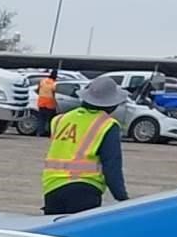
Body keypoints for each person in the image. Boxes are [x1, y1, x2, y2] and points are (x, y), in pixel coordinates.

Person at [41, 74, 129, 215]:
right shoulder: (107, 125)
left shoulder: (60, 119)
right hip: (85, 189)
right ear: (111, 104)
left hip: (52, 187)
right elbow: (112, 167)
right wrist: (122, 198)